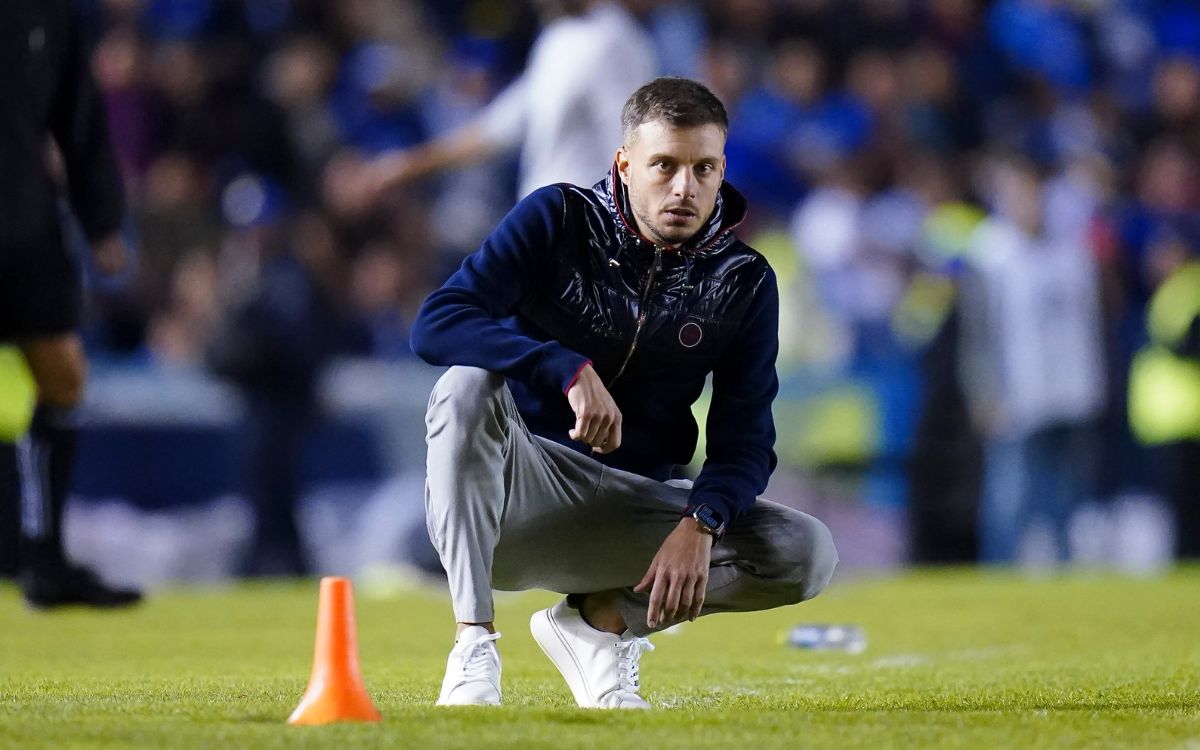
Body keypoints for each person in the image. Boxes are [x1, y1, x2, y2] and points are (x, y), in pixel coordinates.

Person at [409, 77, 838, 709]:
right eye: (664, 165)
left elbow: (746, 441)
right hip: (517, 491)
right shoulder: (556, 218)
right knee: (465, 386)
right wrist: (565, 367)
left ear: (722, 171)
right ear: (625, 164)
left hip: (630, 508)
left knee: (805, 553)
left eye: (704, 168)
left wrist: (702, 521)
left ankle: (598, 624)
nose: (684, 188)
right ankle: (474, 642)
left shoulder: (745, 281)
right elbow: (438, 321)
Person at [0, 0, 141, 608]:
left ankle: (45, 559)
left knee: (62, 374)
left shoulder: (48, 14)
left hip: (25, 223)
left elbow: (77, 118)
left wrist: (101, 220)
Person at [337, 0, 657, 205]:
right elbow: (495, 130)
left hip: (591, 248)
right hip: (547, 239)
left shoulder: (614, 41)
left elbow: (633, 150)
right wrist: (405, 166)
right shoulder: (557, 38)